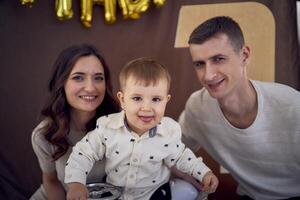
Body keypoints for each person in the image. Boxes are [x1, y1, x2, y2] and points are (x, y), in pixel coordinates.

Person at [179, 16, 300, 200]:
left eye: (218, 59)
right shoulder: (197, 107)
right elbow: (173, 150)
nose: (208, 75)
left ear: (244, 55)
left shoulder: (293, 107)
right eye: (199, 64)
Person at [64, 57, 219, 200]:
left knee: (188, 192)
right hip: (115, 192)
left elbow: (182, 157)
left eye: (156, 99)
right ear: (123, 100)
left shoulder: (168, 132)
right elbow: (83, 153)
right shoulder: (108, 127)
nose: (146, 108)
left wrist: (204, 173)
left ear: (166, 100)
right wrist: (76, 182)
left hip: (155, 193)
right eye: (137, 98)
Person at [30, 44, 120, 200]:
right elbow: (51, 181)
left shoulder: (120, 125)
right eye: (78, 77)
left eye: (98, 78)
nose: (91, 88)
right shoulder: (44, 134)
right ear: (61, 82)